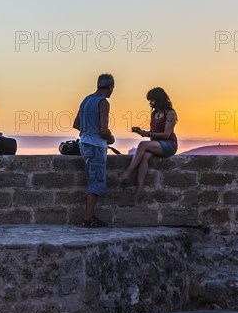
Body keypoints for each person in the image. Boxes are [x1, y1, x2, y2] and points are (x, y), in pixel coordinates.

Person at [118, 87, 178, 201]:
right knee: (144, 156)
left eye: (152, 100)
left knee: (142, 144)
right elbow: (153, 133)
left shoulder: (170, 113)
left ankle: (127, 172)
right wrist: (142, 132)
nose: (150, 103)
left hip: (169, 144)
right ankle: (140, 190)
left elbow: (166, 135)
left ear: (159, 99)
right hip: (157, 144)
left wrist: (146, 135)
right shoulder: (154, 114)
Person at [73, 74, 115, 228]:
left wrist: (87, 130)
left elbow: (76, 124)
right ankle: (88, 218)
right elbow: (104, 130)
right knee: (96, 182)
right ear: (110, 87)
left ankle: (90, 217)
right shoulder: (103, 103)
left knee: (91, 179)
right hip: (96, 146)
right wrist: (110, 139)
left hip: (84, 144)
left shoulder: (86, 100)